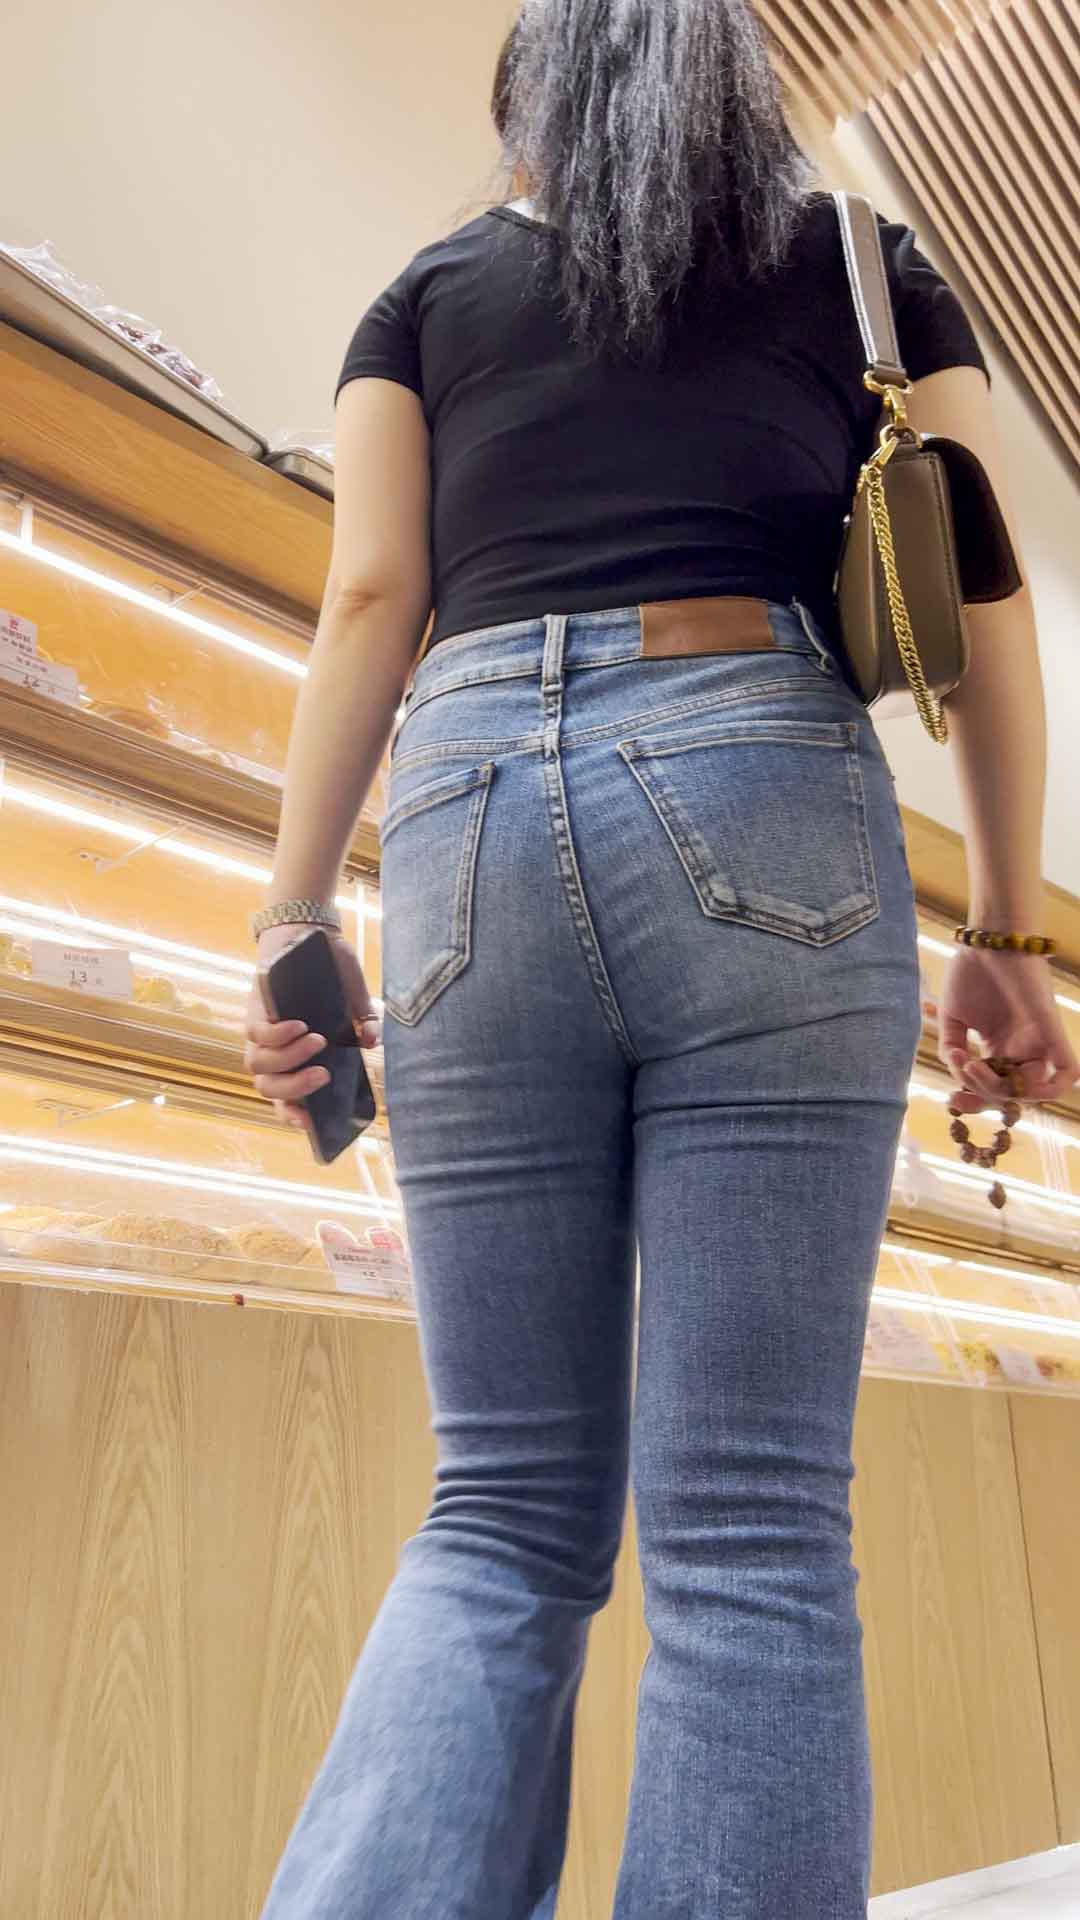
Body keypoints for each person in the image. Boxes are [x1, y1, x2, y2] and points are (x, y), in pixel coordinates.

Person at [249, 4, 1077, 1915]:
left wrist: (291, 914)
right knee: (750, 1529)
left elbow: (372, 597)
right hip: (758, 779)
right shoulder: (858, 263)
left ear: (529, 113)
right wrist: (1006, 933)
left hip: (463, 812)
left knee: (497, 1513)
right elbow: (980, 596)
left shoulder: (424, 296)